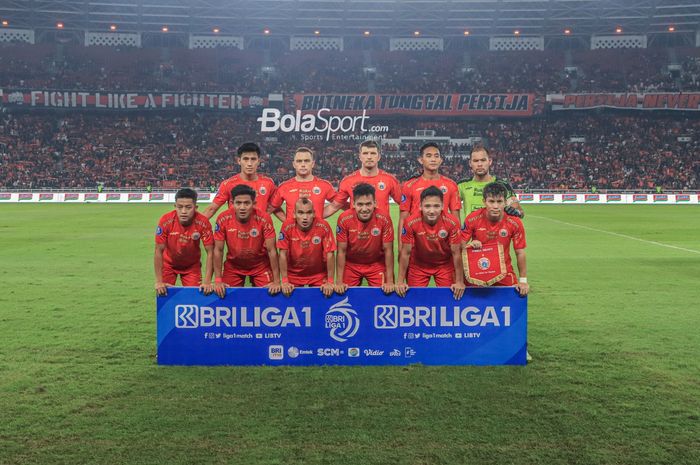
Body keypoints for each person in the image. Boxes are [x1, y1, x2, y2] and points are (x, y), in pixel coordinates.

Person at [396, 186, 465, 300]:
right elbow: (405, 253)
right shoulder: (410, 222)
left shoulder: (452, 222)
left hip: (444, 265)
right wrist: (400, 281)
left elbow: (456, 253)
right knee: (414, 300)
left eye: (436, 206)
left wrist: (459, 281)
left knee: (449, 299)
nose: (432, 211)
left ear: (443, 206)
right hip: (419, 265)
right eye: (427, 206)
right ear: (420, 206)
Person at [212, 184, 281, 297]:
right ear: (232, 203)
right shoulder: (223, 218)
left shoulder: (264, 218)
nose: (242, 207)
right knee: (225, 296)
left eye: (247, 203)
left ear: (253, 204)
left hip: (260, 266)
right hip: (233, 267)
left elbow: (272, 250)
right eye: (238, 203)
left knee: (270, 297)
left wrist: (277, 281)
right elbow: (218, 250)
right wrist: (218, 280)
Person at [462, 182, 529, 296]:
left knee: (513, 301)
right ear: (484, 201)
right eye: (491, 201)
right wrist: (470, 245)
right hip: (477, 271)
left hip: (504, 273)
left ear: (505, 202)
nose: (495, 206)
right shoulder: (472, 218)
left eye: (499, 202)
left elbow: (520, 252)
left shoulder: (515, 222)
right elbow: (458, 245)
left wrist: (523, 281)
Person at [335, 183, 395, 295]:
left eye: (368, 204)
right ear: (353, 204)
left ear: (375, 203)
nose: (364, 209)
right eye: (360, 204)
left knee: (385, 295)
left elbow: (388, 250)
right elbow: (341, 251)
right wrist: (339, 281)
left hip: (376, 264)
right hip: (351, 265)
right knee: (344, 295)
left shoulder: (384, 218)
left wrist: (390, 281)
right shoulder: (344, 219)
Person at [398, 142, 460, 249]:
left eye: (436, 156)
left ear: (441, 160)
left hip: (442, 241)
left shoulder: (451, 185)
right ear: (421, 160)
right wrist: (400, 246)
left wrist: (457, 245)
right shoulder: (409, 185)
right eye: (428, 156)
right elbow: (403, 218)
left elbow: (456, 218)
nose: (433, 159)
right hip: (416, 242)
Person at [154, 188, 214, 296]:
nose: (183, 211)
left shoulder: (203, 222)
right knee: (163, 296)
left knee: (194, 298)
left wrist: (207, 281)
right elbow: (158, 250)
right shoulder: (166, 220)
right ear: (175, 206)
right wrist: (158, 281)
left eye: (188, 207)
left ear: (195, 208)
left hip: (192, 267)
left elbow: (211, 252)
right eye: (180, 207)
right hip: (168, 265)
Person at [323, 140, 401, 219]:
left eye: (373, 153)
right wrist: (313, 218)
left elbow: (405, 205)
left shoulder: (389, 180)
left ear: (379, 157)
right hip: (356, 230)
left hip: (382, 229)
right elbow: (334, 207)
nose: (369, 157)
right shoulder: (348, 181)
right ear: (360, 156)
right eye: (365, 153)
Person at [277, 198, 336, 297]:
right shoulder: (287, 226)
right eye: (300, 213)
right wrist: (285, 281)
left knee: (323, 303)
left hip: (318, 275)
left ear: (314, 213)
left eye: (309, 213)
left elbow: (330, 253)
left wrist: (330, 281)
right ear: (294, 214)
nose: (305, 217)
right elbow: (282, 254)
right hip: (294, 275)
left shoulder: (323, 226)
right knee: (291, 303)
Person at [203, 142, 276, 219]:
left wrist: (289, 226)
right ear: (239, 161)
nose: (249, 163)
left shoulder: (268, 183)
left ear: (258, 161)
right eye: (245, 159)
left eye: (253, 159)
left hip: (259, 230)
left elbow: (275, 207)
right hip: (235, 230)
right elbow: (212, 209)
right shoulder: (228, 184)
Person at [268, 147, 335, 222]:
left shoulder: (324, 185)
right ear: (294, 164)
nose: (303, 164)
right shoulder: (284, 187)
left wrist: (318, 216)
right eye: (299, 161)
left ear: (312, 164)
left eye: (306, 161)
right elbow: (273, 207)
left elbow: (336, 205)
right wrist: (286, 221)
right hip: (292, 233)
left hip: (317, 232)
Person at [457, 145, 523, 221]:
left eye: (483, 160)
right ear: (470, 163)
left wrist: (516, 211)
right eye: (475, 161)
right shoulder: (462, 185)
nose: (479, 164)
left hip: (496, 232)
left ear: (490, 161)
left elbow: (519, 210)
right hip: (471, 232)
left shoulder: (502, 185)